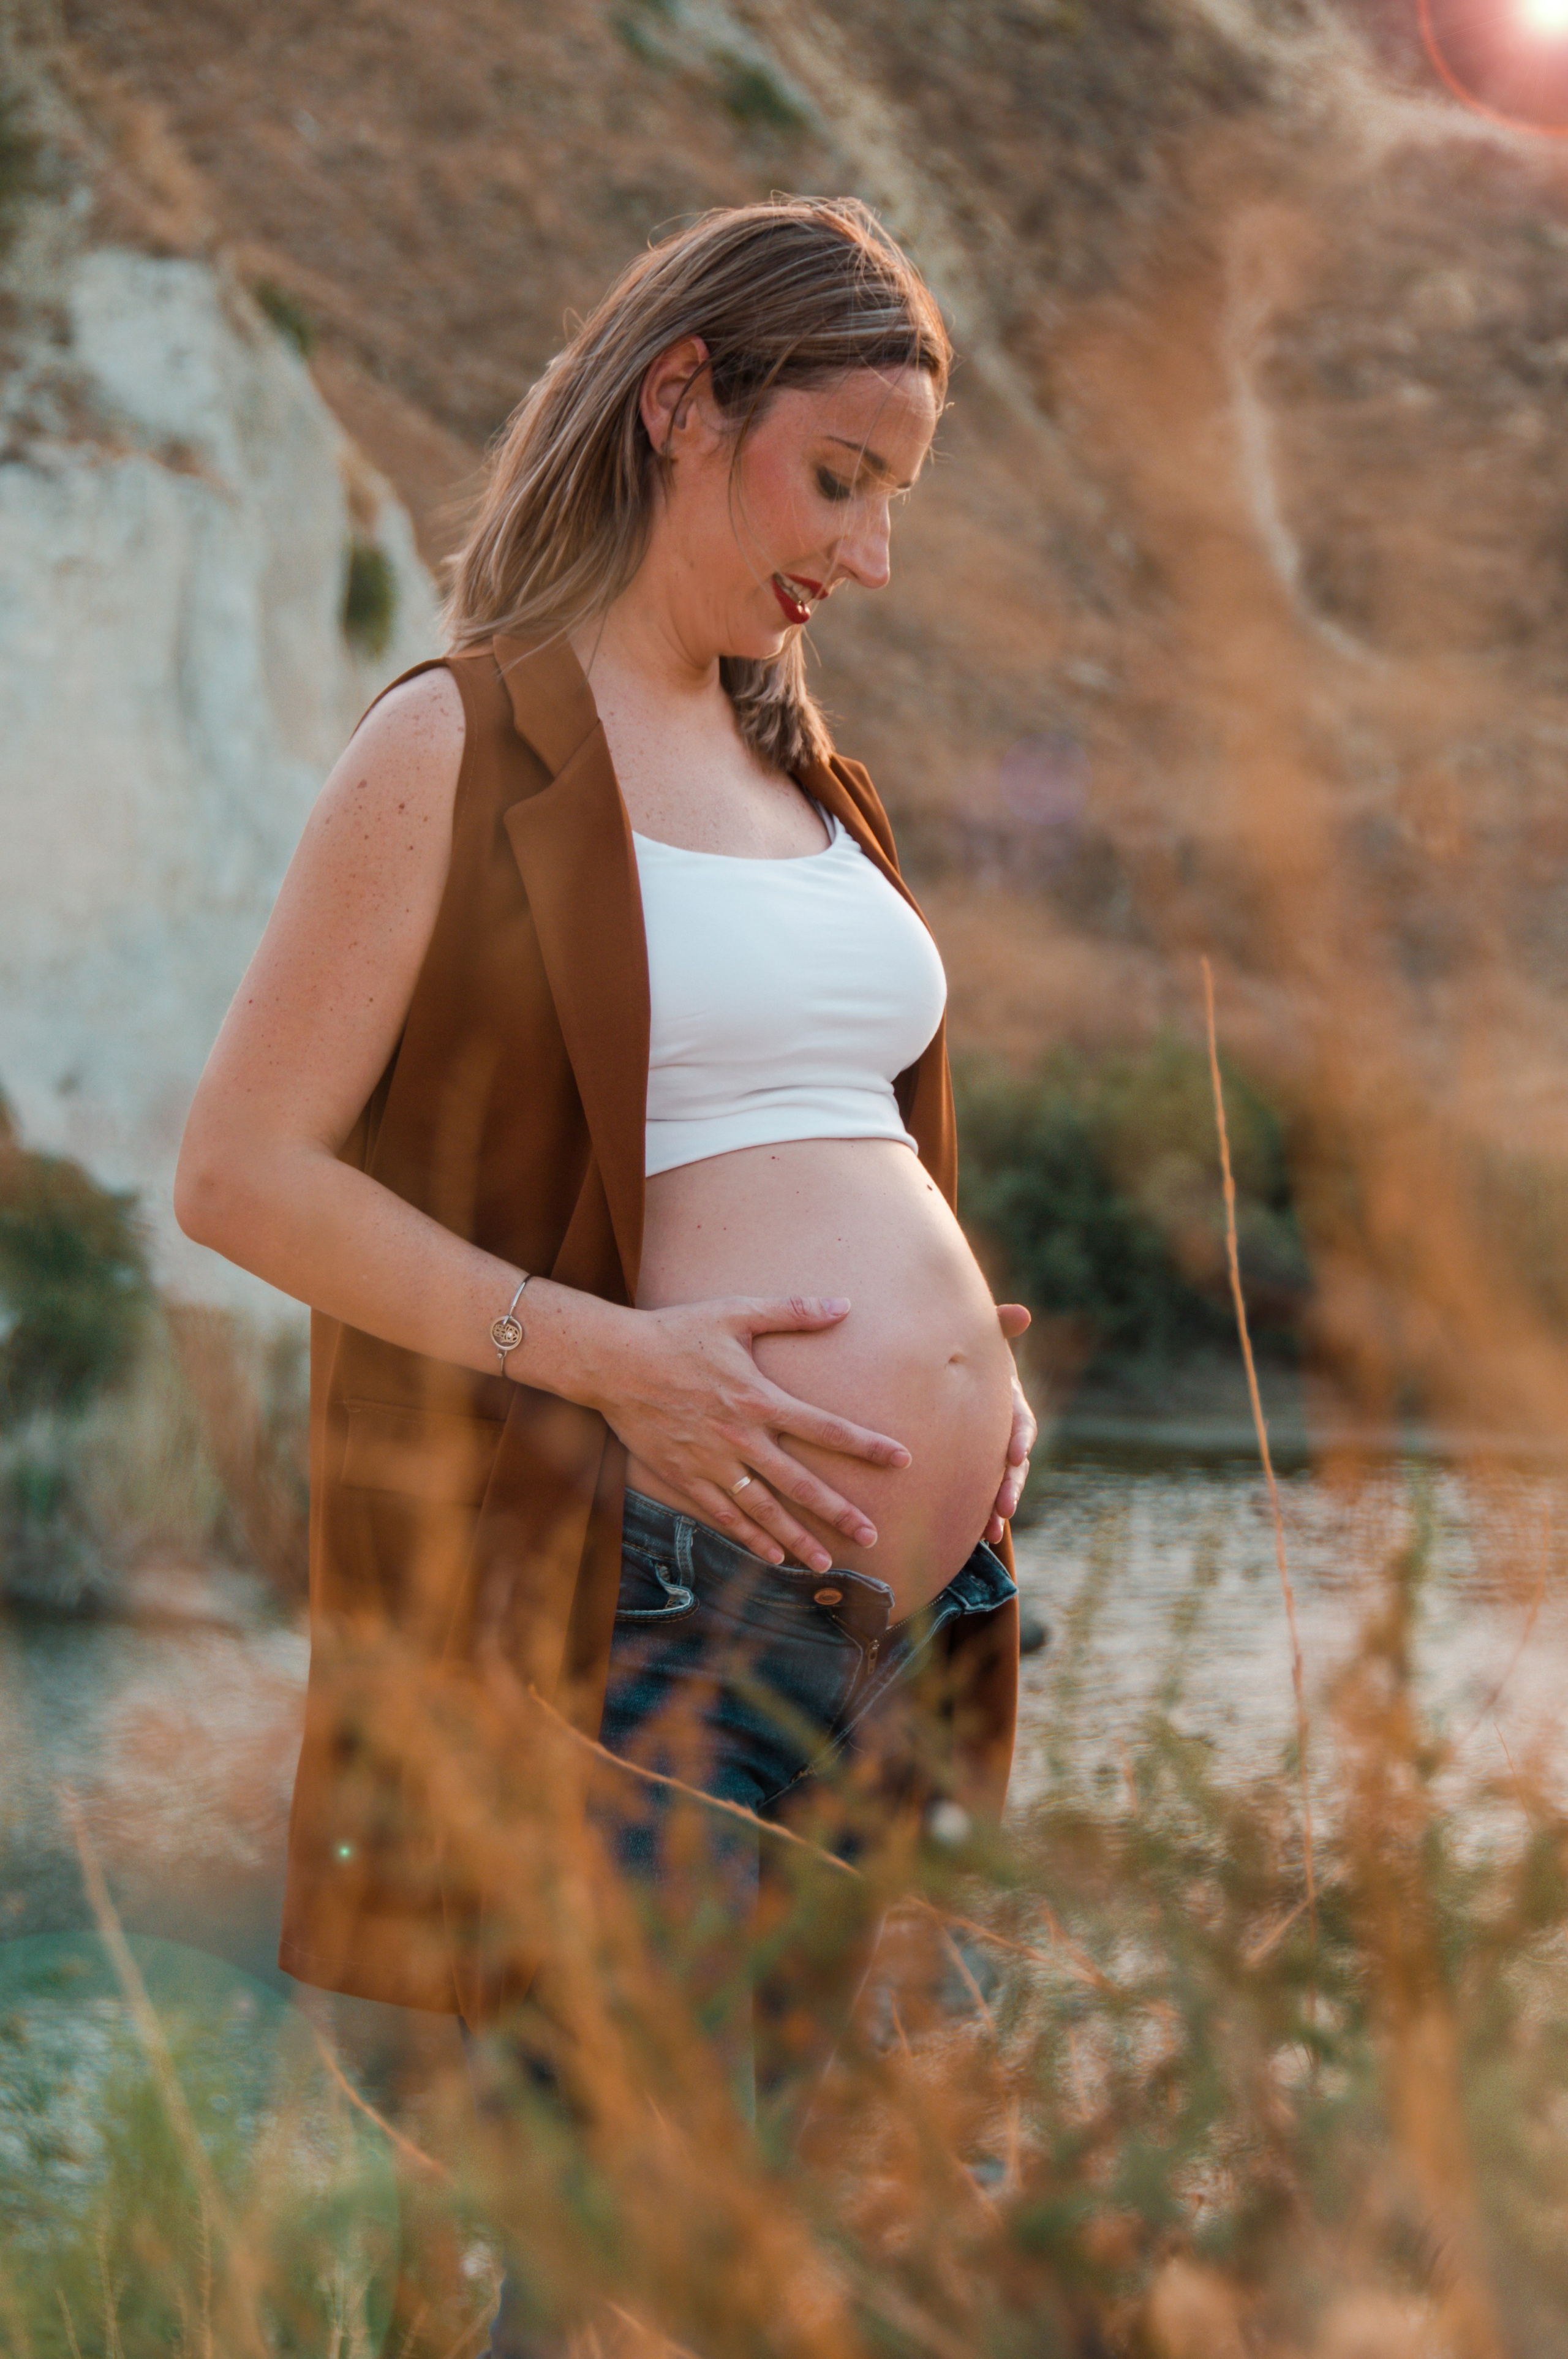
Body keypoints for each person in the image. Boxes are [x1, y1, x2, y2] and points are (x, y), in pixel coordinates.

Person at [176, 193, 1035, 2331]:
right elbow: (243, 1171)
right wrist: (617, 1361)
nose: (867, 552)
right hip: (656, 1606)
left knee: (909, 2241)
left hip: (916, 1624)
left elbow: (819, 1129)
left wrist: (963, 1361)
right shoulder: (462, 742)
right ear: (681, 404)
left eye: (895, 501)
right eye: (836, 479)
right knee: (637, 2259)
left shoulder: (813, 776)